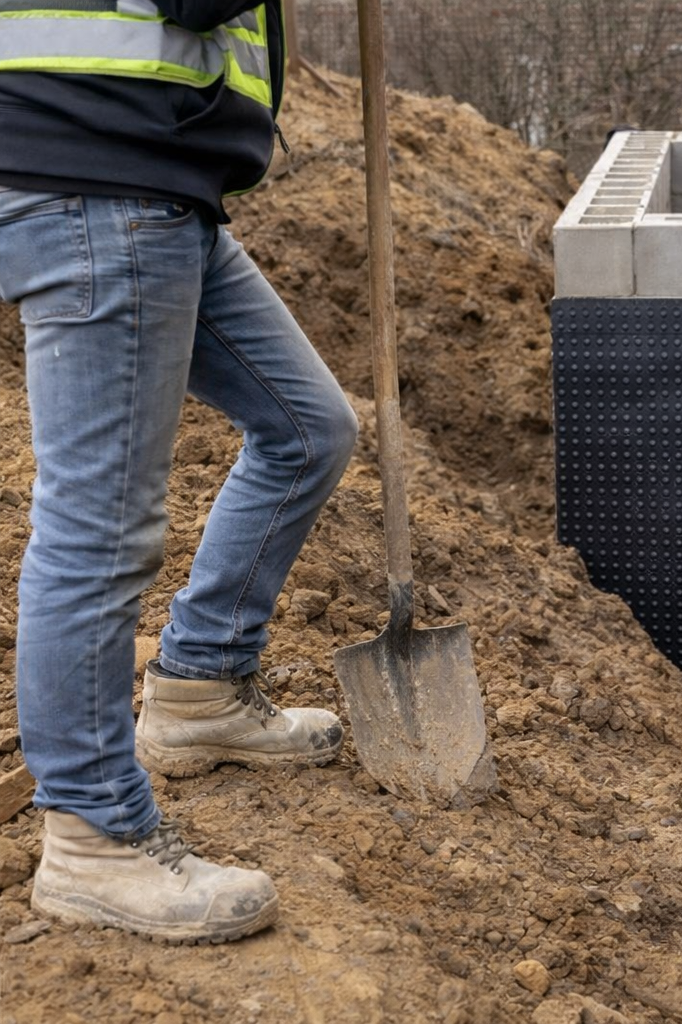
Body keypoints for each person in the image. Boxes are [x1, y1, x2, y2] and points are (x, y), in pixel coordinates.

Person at [0, 1, 358, 941]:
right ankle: (93, 838)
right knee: (99, 528)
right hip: (97, 177)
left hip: (151, 179)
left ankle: (200, 686)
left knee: (308, 429)